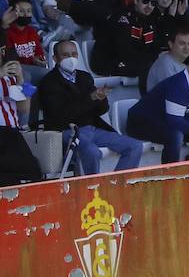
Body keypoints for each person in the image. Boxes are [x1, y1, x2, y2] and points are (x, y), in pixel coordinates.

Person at [38, 40, 144, 176]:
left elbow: (101, 110)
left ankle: (115, 186)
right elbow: (61, 116)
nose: (71, 58)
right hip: (67, 131)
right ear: (55, 58)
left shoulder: (84, 77)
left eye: (74, 54)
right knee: (92, 152)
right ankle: (92, 191)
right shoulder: (49, 82)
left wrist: (101, 98)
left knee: (134, 146)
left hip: (92, 129)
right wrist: (91, 98)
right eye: (65, 55)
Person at [126, 51, 189, 162]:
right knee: (175, 136)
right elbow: (175, 122)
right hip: (142, 123)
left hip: (170, 121)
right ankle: (171, 175)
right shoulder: (178, 84)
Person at [0, 61, 42, 185]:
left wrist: (21, 80)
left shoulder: (8, 76)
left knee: (31, 172)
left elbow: (24, 108)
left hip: (11, 132)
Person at [146, 26, 189, 92]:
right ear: (171, 44)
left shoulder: (183, 66)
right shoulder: (165, 63)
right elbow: (174, 92)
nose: (187, 48)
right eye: (182, 43)